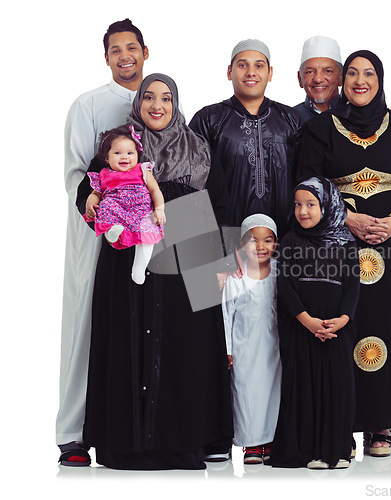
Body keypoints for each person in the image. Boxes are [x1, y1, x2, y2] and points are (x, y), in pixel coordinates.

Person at [78, 73, 233, 470]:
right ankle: (124, 444)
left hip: (189, 236)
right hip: (128, 245)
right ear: (138, 104)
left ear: (176, 103)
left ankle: (190, 441)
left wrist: (219, 262)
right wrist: (94, 200)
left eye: (166, 97)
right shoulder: (122, 145)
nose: (157, 105)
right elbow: (90, 187)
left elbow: (218, 200)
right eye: (149, 97)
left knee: (189, 341)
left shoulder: (198, 145)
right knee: (127, 335)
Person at [297, 50, 391, 457]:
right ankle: (342, 426)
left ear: (380, 79)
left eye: (368, 73)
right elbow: (307, 178)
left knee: (388, 325)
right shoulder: (321, 128)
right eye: (352, 73)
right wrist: (347, 218)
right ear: (342, 81)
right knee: (344, 326)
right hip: (339, 246)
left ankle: (380, 424)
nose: (359, 80)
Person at [57, 19, 149, 466]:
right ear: (107, 57)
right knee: (86, 322)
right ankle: (72, 433)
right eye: (116, 49)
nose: (125, 56)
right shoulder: (89, 104)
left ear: (146, 52)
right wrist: (92, 199)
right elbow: (75, 170)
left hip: (150, 235)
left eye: (132, 47)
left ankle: (137, 427)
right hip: (102, 230)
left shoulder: (160, 99)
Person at [270, 177, 359, 470]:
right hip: (303, 328)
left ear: (328, 206)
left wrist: (343, 320)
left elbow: (352, 286)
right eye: (297, 204)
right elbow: (285, 285)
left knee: (336, 389)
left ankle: (338, 450)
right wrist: (306, 320)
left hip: (336, 330)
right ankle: (311, 451)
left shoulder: (345, 241)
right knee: (304, 388)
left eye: (311, 204)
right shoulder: (292, 241)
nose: (302, 211)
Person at [189, 39, 302, 238]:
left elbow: (305, 179)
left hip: (285, 238)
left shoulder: (291, 119)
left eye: (259, 65)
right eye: (242, 65)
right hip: (225, 238)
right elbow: (192, 186)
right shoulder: (208, 119)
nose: (251, 72)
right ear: (229, 72)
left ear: (270, 72)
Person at [222, 214, 281, 465]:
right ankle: (252, 444)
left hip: (273, 348)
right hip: (244, 348)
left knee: (272, 393)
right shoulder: (237, 277)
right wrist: (227, 350)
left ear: (275, 244)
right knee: (245, 393)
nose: (260, 247)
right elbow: (226, 315)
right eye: (252, 241)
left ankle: (270, 440)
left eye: (267, 240)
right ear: (240, 245)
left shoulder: (280, 272)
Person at [83, 125, 165, 285]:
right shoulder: (104, 174)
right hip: (116, 207)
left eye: (130, 153)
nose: (124, 157)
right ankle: (112, 233)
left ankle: (139, 268)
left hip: (140, 210)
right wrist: (90, 202)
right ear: (107, 158)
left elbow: (155, 190)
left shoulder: (142, 170)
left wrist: (159, 208)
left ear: (137, 155)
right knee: (105, 210)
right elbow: (96, 194)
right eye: (117, 153)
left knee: (149, 233)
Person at [294, 35, 391, 130]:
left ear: (341, 77)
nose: (318, 79)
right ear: (300, 79)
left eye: (328, 71)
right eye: (309, 72)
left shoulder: (367, 115)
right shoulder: (289, 119)